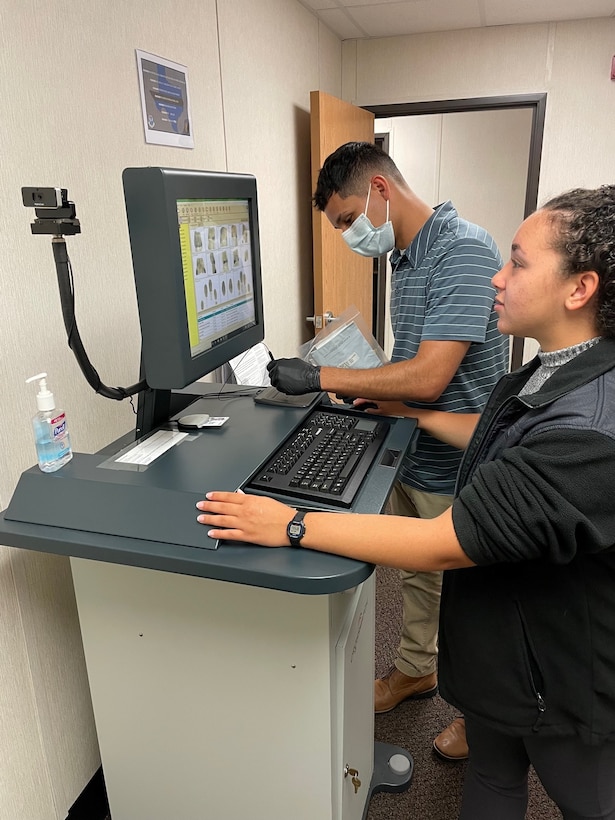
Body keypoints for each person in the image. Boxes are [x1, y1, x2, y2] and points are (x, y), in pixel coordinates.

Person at [197, 185, 615, 819]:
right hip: (506, 656)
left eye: (519, 263)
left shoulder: (591, 429)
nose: (498, 279)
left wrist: (290, 523)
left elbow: (441, 543)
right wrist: (410, 415)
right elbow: (497, 430)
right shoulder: (557, 366)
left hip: (556, 678)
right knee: (494, 777)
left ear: (579, 289)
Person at [267, 141, 508, 757]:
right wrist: (383, 400)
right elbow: (413, 377)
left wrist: (321, 378)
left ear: (380, 190)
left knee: (469, 594)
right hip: (417, 440)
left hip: (458, 457)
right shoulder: (407, 257)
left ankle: (482, 717)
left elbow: (429, 377)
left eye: (348, 220)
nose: (349, 235)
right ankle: (415, 669)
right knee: (419, 577)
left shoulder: (462, 249)